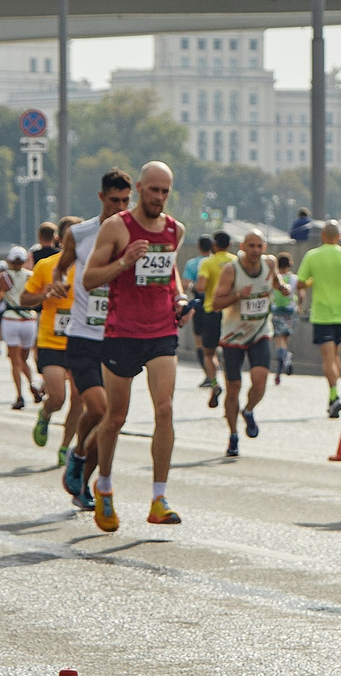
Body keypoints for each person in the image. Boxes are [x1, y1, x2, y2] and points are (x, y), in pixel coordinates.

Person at [82, 161, 187, 530]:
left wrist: (179, 297)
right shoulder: (117, 227)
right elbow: (89, 278)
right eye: (153, 190)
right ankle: (104, 487)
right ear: (140, 188)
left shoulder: (175, 229)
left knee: (165, 409)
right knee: (115, 418)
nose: (159, 197)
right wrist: (124, 261)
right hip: (122, 333)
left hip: (161, 331)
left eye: (165, 192)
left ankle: (159, 498)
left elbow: (170, 270)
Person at [56, 173, 135, 515]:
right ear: (101, 197)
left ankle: (83, 483)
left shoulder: (134, 234)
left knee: (113, 420)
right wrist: (58, 282)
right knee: (100, 410)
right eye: (114, 200)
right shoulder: (80, 233)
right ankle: (78, 455)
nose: (120, 207)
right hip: (83, 337)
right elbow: (60, 268)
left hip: (119, 337)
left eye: (125, 201)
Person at [211, 229, 278, 458]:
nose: (255, 250)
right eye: (251, 246)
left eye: (259, 246)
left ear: (264, 247)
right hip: (233, 336)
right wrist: (238, 295)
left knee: (260, 380)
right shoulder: (231, 270)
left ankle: (248, 410)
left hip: (260, 331)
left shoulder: (269, 263)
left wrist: (283, 287)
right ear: (242, 247)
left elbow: (275, 281)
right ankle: (233, 435)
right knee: (234, 388)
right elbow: (216, 303)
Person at [19, 219, 82, 453]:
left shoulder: (91, 266)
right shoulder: (46, 266)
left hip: (81, 341)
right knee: (57, 397)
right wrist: (45, 294)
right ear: (59, 240)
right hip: (51, 340)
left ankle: (65, 447)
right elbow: (24, 298)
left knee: (79, 398)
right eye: (70, 237)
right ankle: (45, 414)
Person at [296, 220, 341, 421]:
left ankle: (334, 395)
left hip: (322, 313)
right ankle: (333, 395)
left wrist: (312, 282)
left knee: (328, 358)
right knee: (336, 355)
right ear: (338, 236)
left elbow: (300, 283)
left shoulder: (312, 256)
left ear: (323, 236)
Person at [189, 230, 234, 401]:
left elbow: (200, 287)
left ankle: (214, 383)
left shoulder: (207, 263)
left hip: (211, 311)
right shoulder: (236, 262)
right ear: (229, 245)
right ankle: (232, 387)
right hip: (231, 312)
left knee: (209, 353)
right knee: (231, 353)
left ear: (214, 245)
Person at [0, 247, 38, 409]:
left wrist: (2, 294)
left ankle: (20, 396)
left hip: (11, 319)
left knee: (15, 361)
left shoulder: (4, 277)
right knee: (24, 359)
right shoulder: (31, 277)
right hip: (29, 320)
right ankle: (32, 384)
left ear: (9, 261)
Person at [270, 251, 298, 381]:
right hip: (290, 311)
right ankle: (285, 359)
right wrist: (300, 305)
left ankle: (282, 361)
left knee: (279, 340)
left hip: (276, 311)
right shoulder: (294, 279)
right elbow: (301, 294)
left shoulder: (274, 278)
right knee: (285, 340)